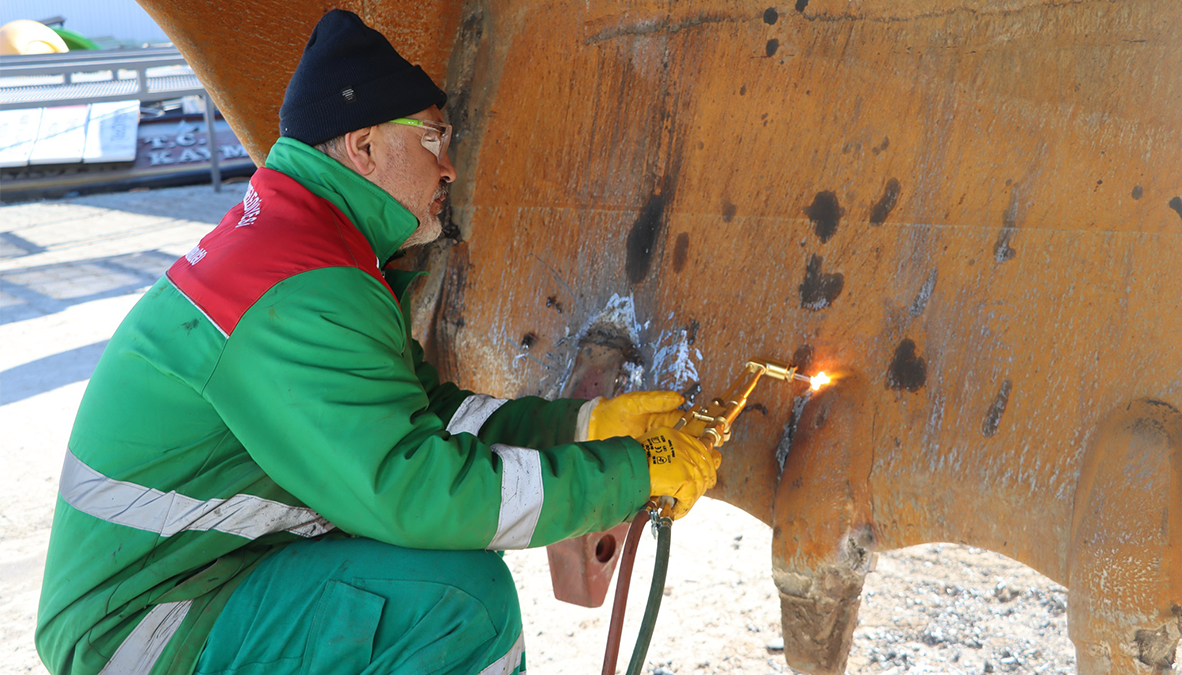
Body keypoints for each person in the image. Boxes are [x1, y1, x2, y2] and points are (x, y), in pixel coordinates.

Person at [35, 9, 720, 675]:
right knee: (456, 605)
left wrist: (584, 424)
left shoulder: (310, 251)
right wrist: (630, 470)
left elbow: (432, 418)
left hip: (195, 577)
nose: (450, 167)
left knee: (428, 575)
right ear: (363, 147)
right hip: (144, 630)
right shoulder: (301, 285)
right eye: (433, 139)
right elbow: (413, 489)